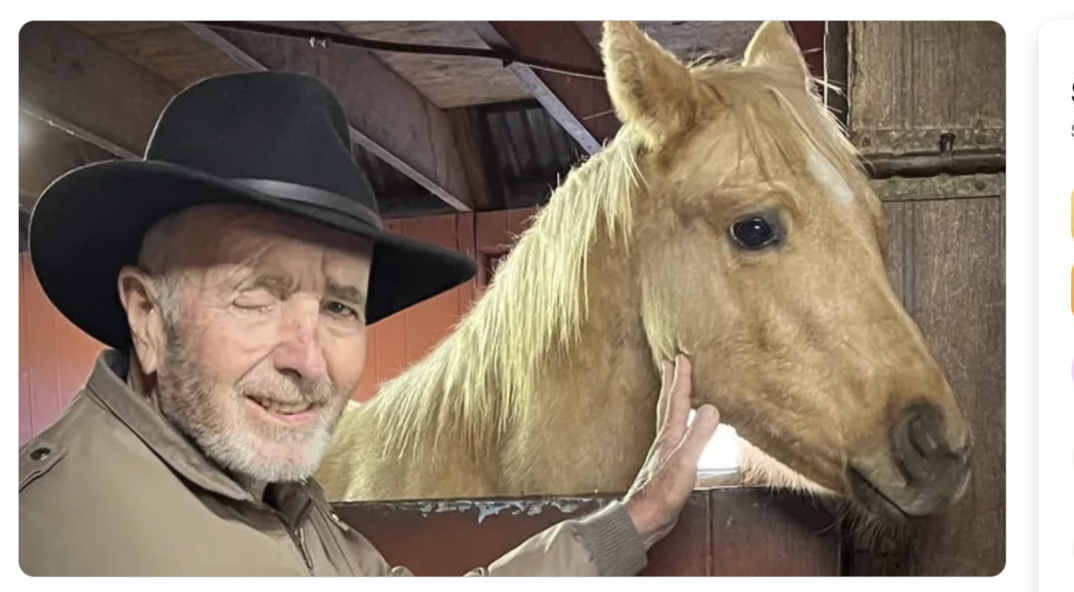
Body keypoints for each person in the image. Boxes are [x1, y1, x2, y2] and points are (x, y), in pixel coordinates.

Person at [18, 71, 720, 576]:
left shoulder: (288, 509)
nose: (310, 361)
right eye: (256, 296)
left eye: (339, 307)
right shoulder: (46, 540)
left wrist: (637, 519)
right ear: (146, 315)